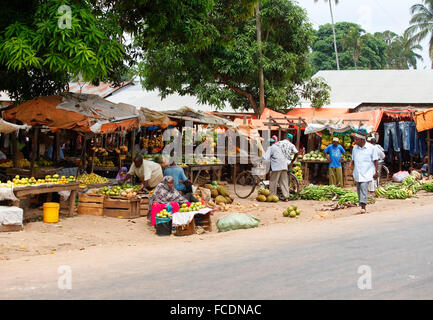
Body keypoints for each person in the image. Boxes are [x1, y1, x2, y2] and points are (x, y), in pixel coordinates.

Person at [350, 131, 379, 214]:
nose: (355, 141)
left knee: (363, 187)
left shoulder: (371, 148)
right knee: (359, 189)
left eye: (356, 139)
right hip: (358, 172)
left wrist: (376, 172)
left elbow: (375, 160)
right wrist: (350, 165)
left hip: (367, 172)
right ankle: (362, 204)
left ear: (362, 140)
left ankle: (363, 206)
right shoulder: (355, 148)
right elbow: (353, 159)